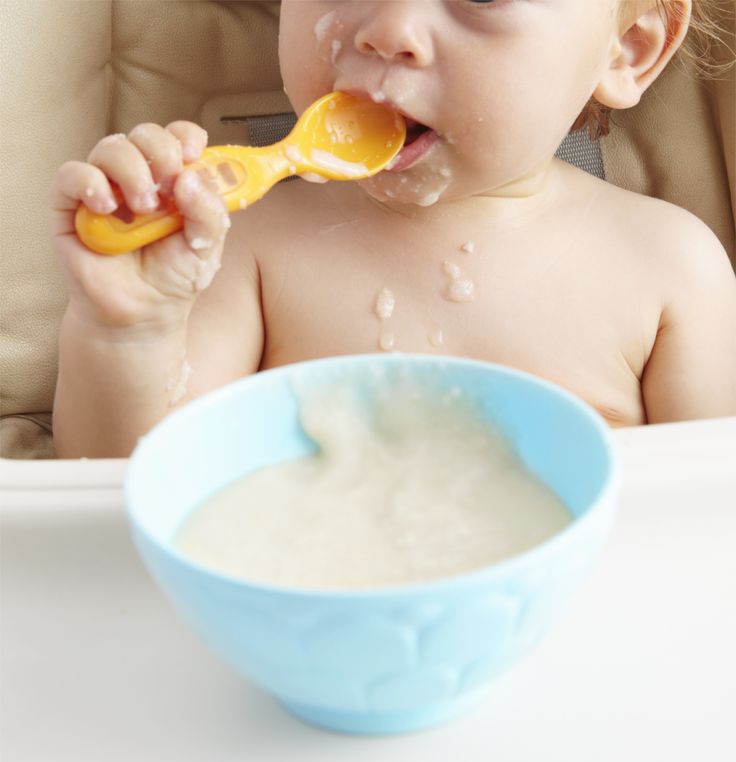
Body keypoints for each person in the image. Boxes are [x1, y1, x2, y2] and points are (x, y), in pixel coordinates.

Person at [51, 0, 736, 457]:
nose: (388, 28)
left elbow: (707, 533)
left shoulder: (671, 269)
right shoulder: (240, 247)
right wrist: (129, 328)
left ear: (628, 50)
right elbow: (124, 495)